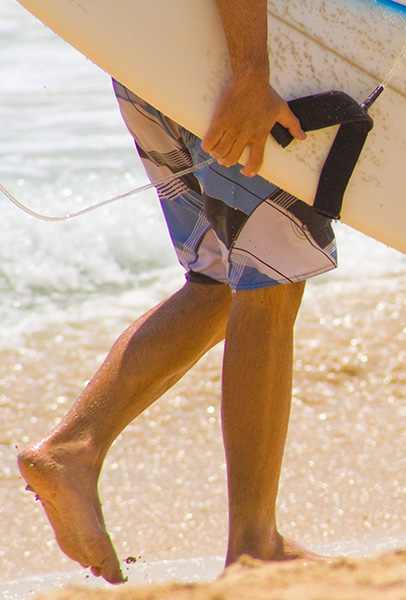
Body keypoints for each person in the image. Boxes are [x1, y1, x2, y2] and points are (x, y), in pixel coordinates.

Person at [16, 0, 332, 583]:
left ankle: (71, 451)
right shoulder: (240, 71)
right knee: (269, 282)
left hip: (151, 57)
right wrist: (251, 73)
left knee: (220, 285)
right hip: (224, 65)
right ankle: (254, 542)